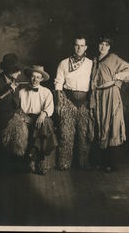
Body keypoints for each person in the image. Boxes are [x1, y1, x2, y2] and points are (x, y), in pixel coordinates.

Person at [90, 35, 129, 173]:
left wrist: (117, 78)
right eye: (101, 44)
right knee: (100, 125)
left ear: (110, 47)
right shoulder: (95, 60)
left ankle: (112, 163)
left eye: (106, 45)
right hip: (99, 95)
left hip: (111, 94)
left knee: (112, 125)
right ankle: (101, 162)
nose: (103, 47)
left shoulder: (113, 58)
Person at [54, 35, 93, 170]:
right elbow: (58, 84)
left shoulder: (91, 64)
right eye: (77, 45)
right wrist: (59, 103)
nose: (79, 48)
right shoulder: (64, 63)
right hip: (68, 101)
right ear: (73, 46)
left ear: (86, 47)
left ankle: (83, 163)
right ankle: (64, 163)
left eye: (82, 45)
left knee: (85, 135)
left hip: (85, 102)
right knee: (66, 134)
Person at [19, 65, 58, 175]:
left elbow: (49, 108)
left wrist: (43, 114)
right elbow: (18, 109)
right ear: (29, 77)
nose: (35, 79)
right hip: (26, 118)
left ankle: (34, 158)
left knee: (44, 123)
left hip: (42, 118)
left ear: (41, 79)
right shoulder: (21, 92)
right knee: (35, 126)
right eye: (33, 76)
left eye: (38, 77)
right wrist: (23, 118)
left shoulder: (46, 92)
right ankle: (38, 160)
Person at [0, 53, 22, 171]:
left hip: (12, 117)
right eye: (17, 70)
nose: (20, 73)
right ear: (9, 70)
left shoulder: (15, 82)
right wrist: (8, 90)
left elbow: (17, 103)